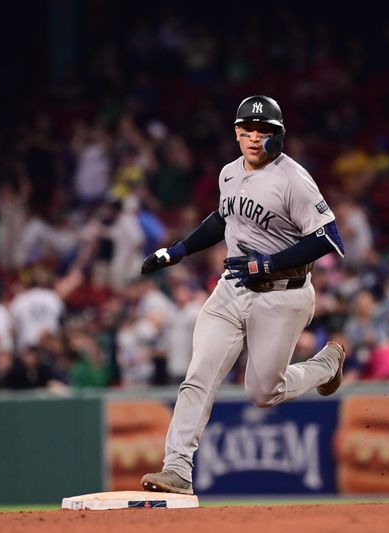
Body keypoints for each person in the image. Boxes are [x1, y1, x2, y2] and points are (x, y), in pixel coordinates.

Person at [138, 95, 346, 495]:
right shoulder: (229, 173)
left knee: (262, 392)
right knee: (198, 375)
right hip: (231, 290)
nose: (254, 138)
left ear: (278, 135)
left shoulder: (293, 179)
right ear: (236, 133)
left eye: (263, 131)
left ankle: (325, 366)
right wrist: (177, 250)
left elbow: (328, 239)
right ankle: (177, 469)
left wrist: (268, 264)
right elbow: (222, 219)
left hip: (283, 294)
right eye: (247, 131)